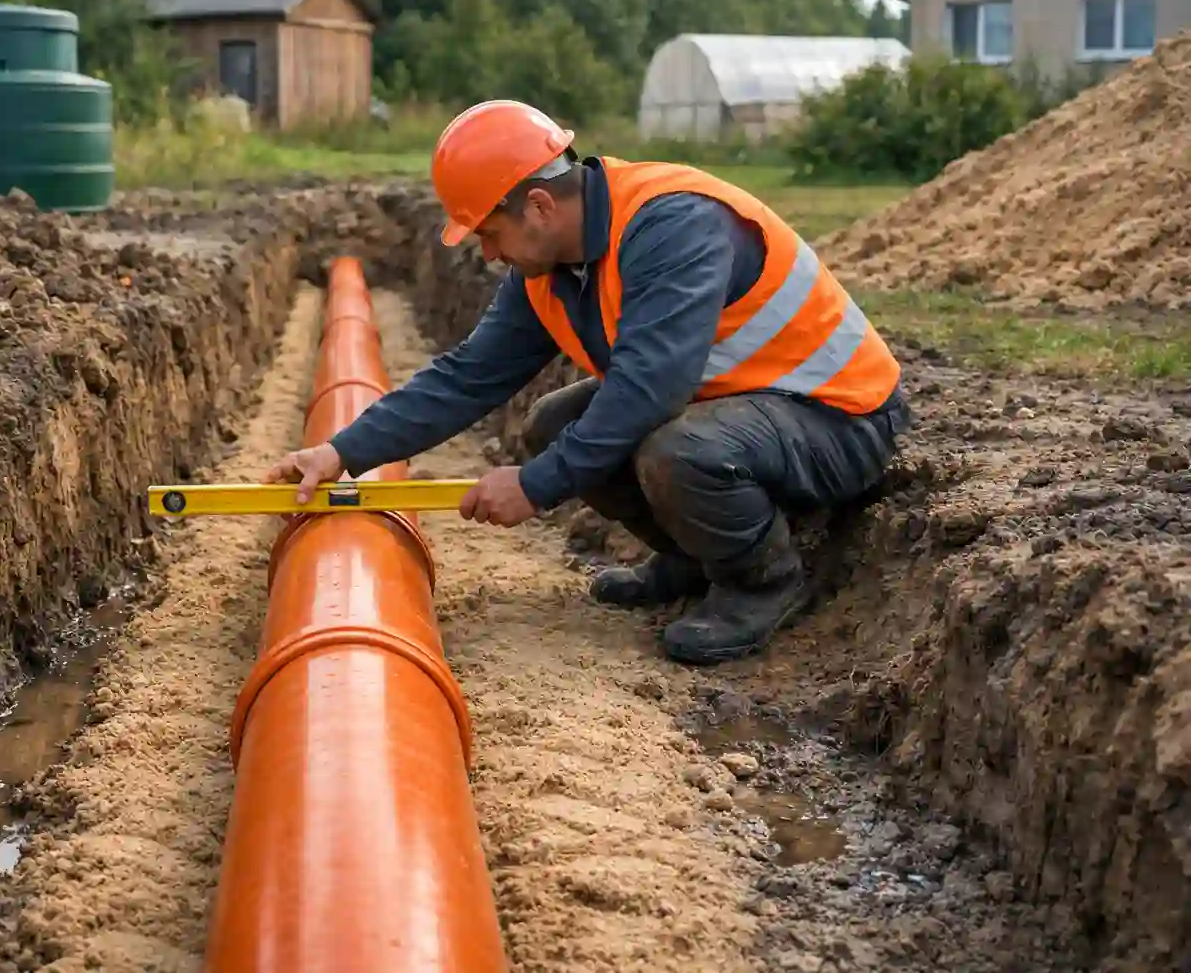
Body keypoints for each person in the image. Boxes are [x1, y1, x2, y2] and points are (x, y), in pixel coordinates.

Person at [264, 99, 911, 666]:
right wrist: (342, 452)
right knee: (555, 425)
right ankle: (693, 558)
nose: (487, 254)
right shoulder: (546, 271)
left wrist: (536, 486)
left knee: (675, 448)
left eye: (490, 233)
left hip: (837, 416)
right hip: (740, 404)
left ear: (540, 206)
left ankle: (760, 581)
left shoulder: (672, 226)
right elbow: (466, 377)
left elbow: (650, 389)